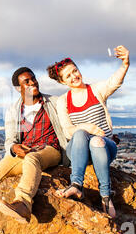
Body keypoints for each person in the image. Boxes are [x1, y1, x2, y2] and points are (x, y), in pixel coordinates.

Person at [46, 45, 130, 218]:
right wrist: (87, 127)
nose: (74, 76)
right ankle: (76, 185)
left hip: (104, 147)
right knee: (79, 134)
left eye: (75, 71)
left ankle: (106, 196)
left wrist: (125, 64)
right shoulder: (63, 101)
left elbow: (114, 82)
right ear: (62, 82)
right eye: (68, 76)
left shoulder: (96, 90)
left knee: (96, 141)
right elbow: (68, 130)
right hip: (78, 149)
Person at [0, 67, 68, 223]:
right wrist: (13, 148)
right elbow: (10, 139)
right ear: (19, 88)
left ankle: (23, 204)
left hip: (49, 149)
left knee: (32, 158)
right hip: (24, 151)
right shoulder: (13, 110)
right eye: (27, 81)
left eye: (33, 78)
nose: (33, 82)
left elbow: (75, 119)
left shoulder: (54, 102)